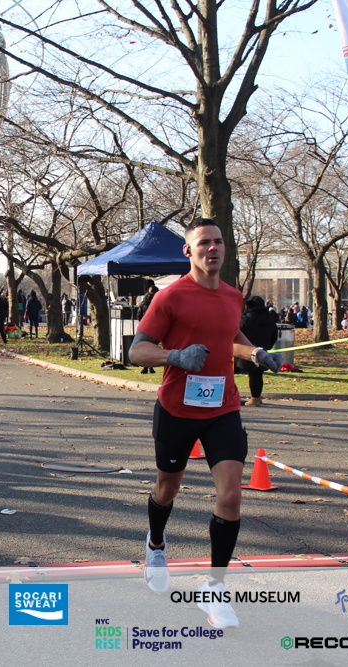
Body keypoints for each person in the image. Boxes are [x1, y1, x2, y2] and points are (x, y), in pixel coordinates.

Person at [128, 219, 282, 629]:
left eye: (218, 242)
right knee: (167, 488)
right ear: (188, 251)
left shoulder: (233, 296)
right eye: (203, 243)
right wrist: (174, 357)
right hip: (177, 409)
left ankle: (215, 588)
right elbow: (137, 351)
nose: (212, 248)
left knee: (231, 496)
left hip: (222, 408)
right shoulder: (170, 297)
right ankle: (155, 544)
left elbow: (230, 336)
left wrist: (256, 353)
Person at [237, 295, 279, 407]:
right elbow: (274, 334)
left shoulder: (246, 318)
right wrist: (268, 346)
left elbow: (239, 333)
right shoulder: (268, 317)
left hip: (248, 349)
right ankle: (257, 396)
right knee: (258, 374)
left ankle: (255, 399)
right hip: (263, 348)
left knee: (253, 375)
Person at [138, 284, 159, 374]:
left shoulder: (144, 302)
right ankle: (150, 366)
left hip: (145, 327)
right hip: (155, 326)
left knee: (145, 347)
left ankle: (145, 366)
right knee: (153, 348)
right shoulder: (157, 300)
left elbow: (139, 314)